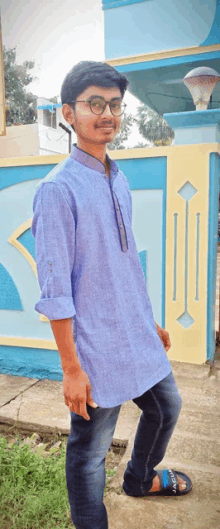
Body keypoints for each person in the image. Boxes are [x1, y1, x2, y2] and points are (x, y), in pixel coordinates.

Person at [32, 60, 192, 529]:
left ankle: (140, 478)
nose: (108, 113)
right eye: (94, 103)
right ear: (68, 113)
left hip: (134, 332)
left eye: (115, 104)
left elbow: (123, 264)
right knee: (90, 453)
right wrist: (71, 368)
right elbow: (56, 291)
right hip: (94, 349)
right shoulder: (58, 190)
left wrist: (151, 322)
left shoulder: (116, 176)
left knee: (167, 407)